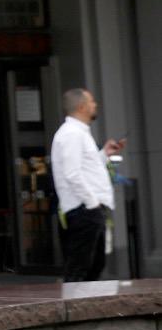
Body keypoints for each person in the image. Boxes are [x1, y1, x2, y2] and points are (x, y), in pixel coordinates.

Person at [50, 88, 125, 282]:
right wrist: (92, 203)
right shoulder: (72, 134)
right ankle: (75, 308)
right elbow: (72, 174)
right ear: (82, 107)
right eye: (92, 102)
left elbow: (84, 169)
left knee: (93, 265)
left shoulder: (78, 133)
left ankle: (83, 307)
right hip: (84, 210)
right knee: (81, 268)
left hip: (87, 209)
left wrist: (103, 154)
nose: (95, 105)